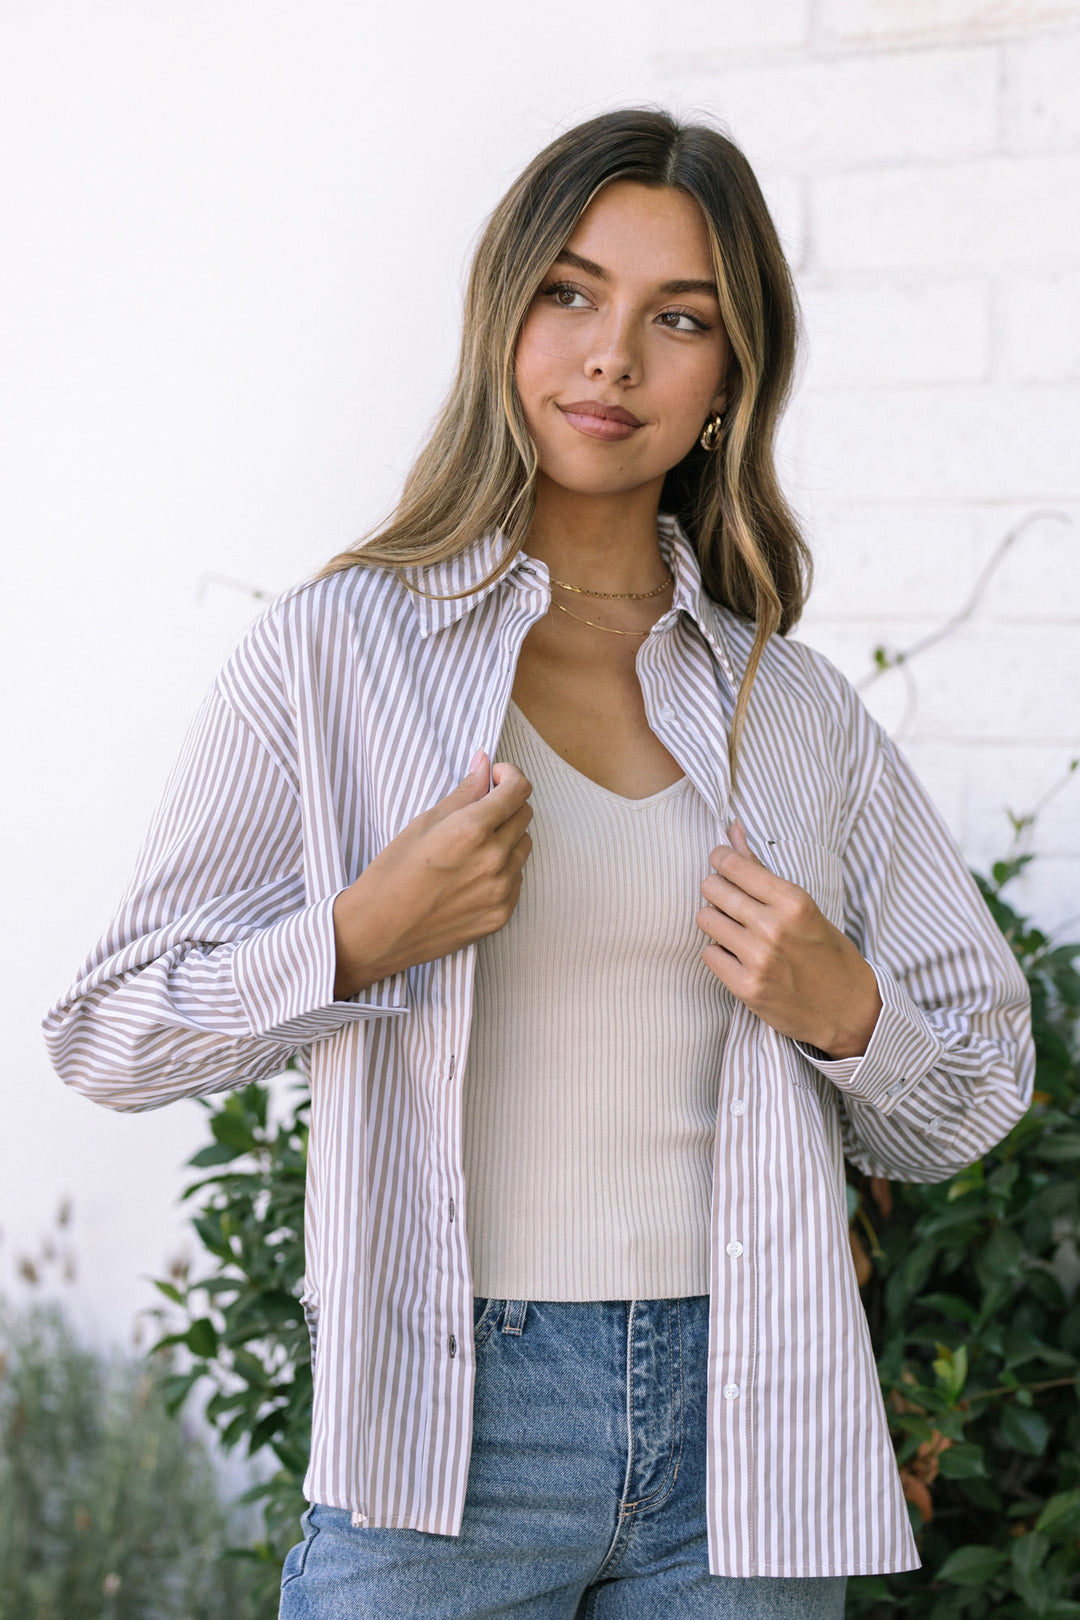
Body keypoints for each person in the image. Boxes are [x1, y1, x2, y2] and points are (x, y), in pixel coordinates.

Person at [44, 109, 1033, 1619]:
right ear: (503, 315)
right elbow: (109, 1030)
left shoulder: (795, 706)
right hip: (446, 1439)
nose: (612, 358)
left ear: (729, 379)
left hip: (746, 1434)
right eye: (572, 293)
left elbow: (976, 1087)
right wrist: (357, 936)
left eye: (678, 318)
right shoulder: (336, 653)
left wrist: (847, 1008)